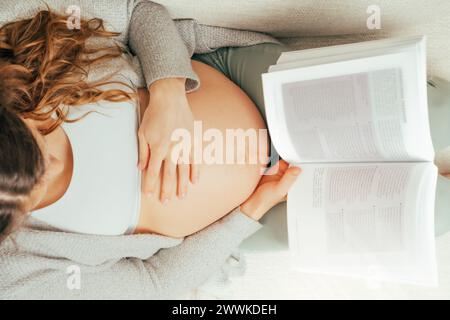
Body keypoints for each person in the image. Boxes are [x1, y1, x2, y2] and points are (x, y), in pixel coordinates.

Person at [0, 2, 300, 299]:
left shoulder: (8, 32)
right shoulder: (14, 274)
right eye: (35, 189)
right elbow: (156, 282)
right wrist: (252, 210)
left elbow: (138, 13)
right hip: (254, 212)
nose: (54, 168)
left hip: (243, 82)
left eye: (40, 142)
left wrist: (167, 93)